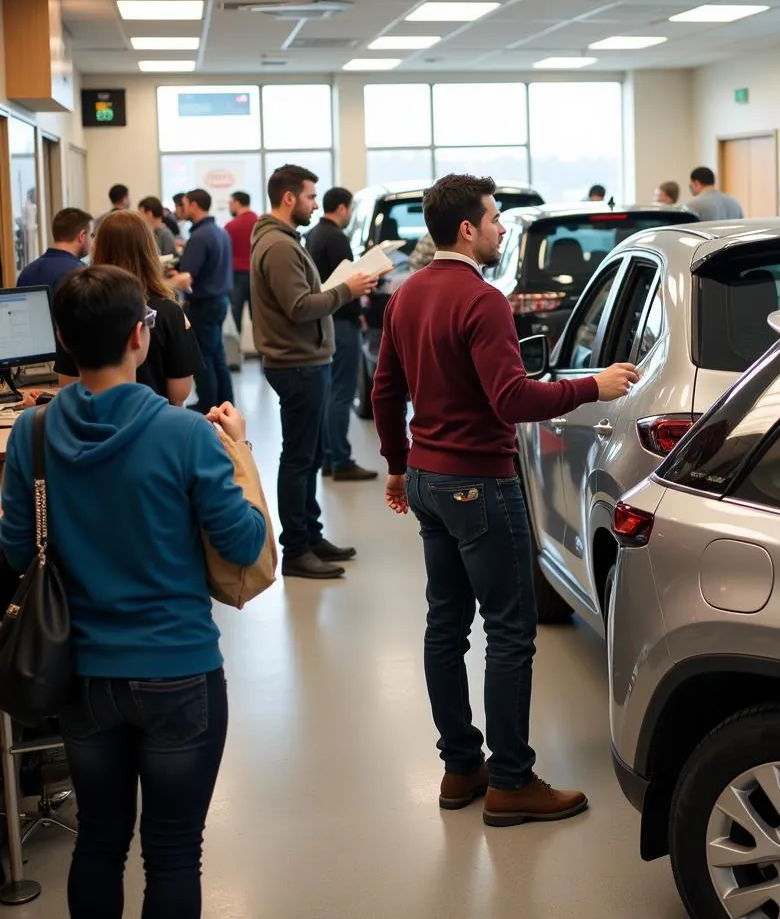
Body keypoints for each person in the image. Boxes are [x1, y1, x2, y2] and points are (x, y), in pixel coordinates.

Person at [0, 264, 266, 919]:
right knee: (173, 853)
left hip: (84, 677)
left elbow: (14, 551)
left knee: (99, 840)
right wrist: (239, 451)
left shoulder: (31, 437)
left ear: (62, 336)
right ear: (141, 337)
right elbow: (241, 543)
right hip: (179, 671)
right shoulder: (184, 434)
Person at [373, 173, 639, 826]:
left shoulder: (405, 297)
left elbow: (385, 392)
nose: (499, 228)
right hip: (481, 484)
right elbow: (512, 400)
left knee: (444, 626)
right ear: (467, 228)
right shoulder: (482, 299)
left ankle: (461, 766)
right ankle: (513, 781)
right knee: (510, 632)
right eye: (493, 218)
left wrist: (398, 467)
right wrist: (592, 385)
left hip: (431, 482)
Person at [250, 165, 378, 580]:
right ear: (289, 198)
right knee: (299, 459)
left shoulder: (284, 240)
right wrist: (347, 291)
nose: (313, 205)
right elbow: (300, 306)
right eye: (308, 197)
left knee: (306, 456)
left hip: (304, 360)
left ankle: (312, 535)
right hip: (297, 363)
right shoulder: (280, 245)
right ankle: (297, 549)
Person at [55, 211, 204, 406]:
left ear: (98, 248)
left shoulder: (79, 304)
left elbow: (67, 384)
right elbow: (179, 393)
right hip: (154, 427)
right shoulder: (168, 312)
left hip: (89, 426)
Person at [305, 187, 377, 482]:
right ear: (343, 208)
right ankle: (341, 460)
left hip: (325, 319)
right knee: (342, 393)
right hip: (342, 322)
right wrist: (359, 311)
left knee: (331, 391)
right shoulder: (336, 238)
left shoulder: (313, 234)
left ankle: (329, 458)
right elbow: (348, 284)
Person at [178, 189, 234, 413]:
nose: (180, 209)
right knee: (218, 357)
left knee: (204, 361)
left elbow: (186, 278)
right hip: (219, 302)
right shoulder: (219, 232)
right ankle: (226, 403)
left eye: (183, 204)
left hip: (203, 305)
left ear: (193, 205)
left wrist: (162, 279)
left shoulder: (200, 237)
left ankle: (208, 406)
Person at [16, 208, 92, 297]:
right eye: (92, 235)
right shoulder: (81, 274)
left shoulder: (27, 272)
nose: (92, 241)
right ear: (82, 236)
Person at [225, 191, 257, 338]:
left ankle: (235, 357)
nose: (229, 207)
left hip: (236, 275)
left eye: (230, 203)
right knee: (258, 317)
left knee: (234, 316)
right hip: (257, 275)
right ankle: (264, 354)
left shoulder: (230, 226)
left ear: (237, 203)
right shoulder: (260, 223)